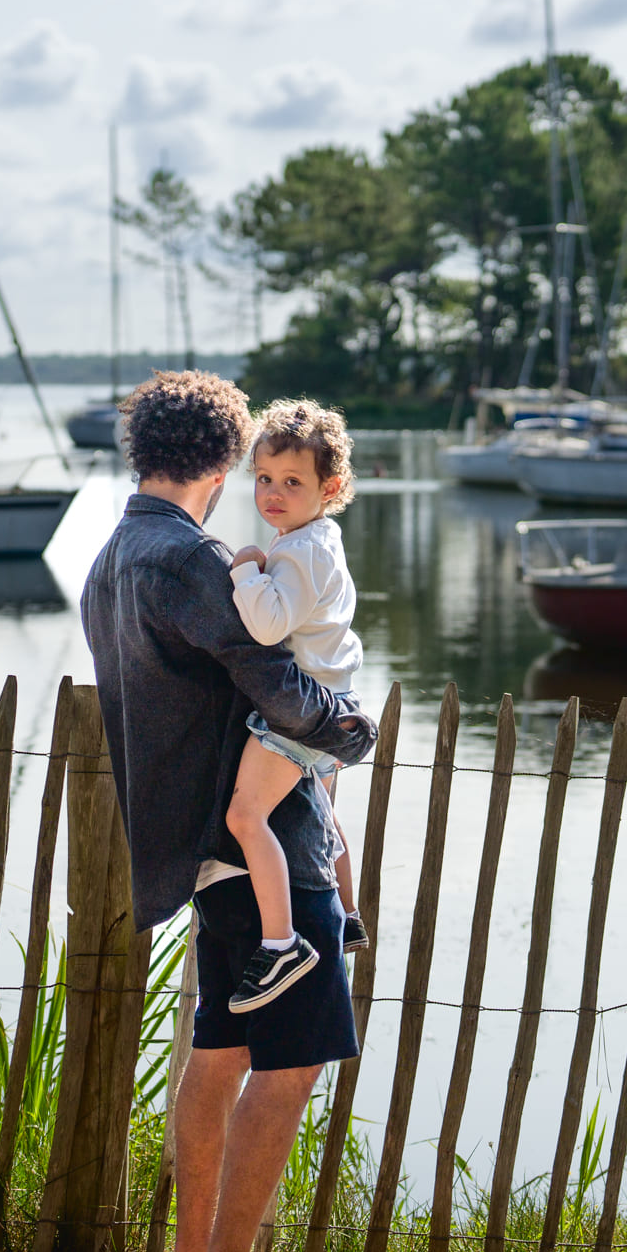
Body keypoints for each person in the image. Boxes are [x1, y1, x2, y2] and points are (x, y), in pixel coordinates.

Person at [80, 370, 376, 1252]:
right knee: (289, 1067)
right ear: (224, 461)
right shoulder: (192, 559)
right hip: (262, 845)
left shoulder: (110, 558)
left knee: (218, 1053)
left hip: (203, 850)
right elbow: (280, 685)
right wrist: (352, 728)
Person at [222, 398, 369, 1013]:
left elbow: (268, 625)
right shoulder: (319, 539)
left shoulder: (299, 551)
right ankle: (349, 913)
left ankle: (281, 943)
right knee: (323, 812)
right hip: (333, 701)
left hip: (300, 711)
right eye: (264, 479)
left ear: (328, 488)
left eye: (292, 482)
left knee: (245, 816)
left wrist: (245, 572)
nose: (273, 494)